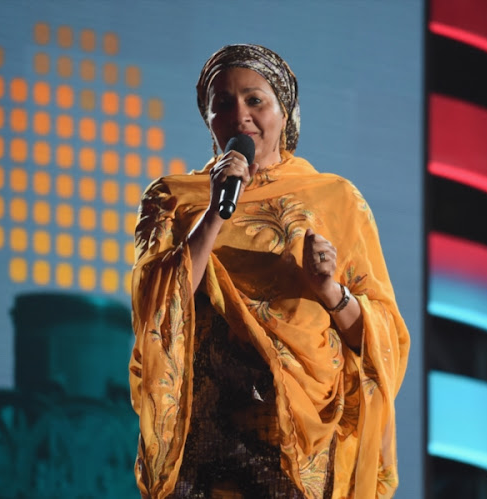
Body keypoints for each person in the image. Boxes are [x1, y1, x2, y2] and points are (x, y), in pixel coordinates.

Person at [129, 43, 410, 499]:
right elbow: (158, 306)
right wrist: (216, 212)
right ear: (208, 118)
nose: (239, 115)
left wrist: (331, 292)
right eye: (223, 103)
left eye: (254, 100)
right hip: (205, 435)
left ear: (285, 113)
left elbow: (383, 338)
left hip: (297, 440)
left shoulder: (336, 200)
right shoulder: (173, 198)